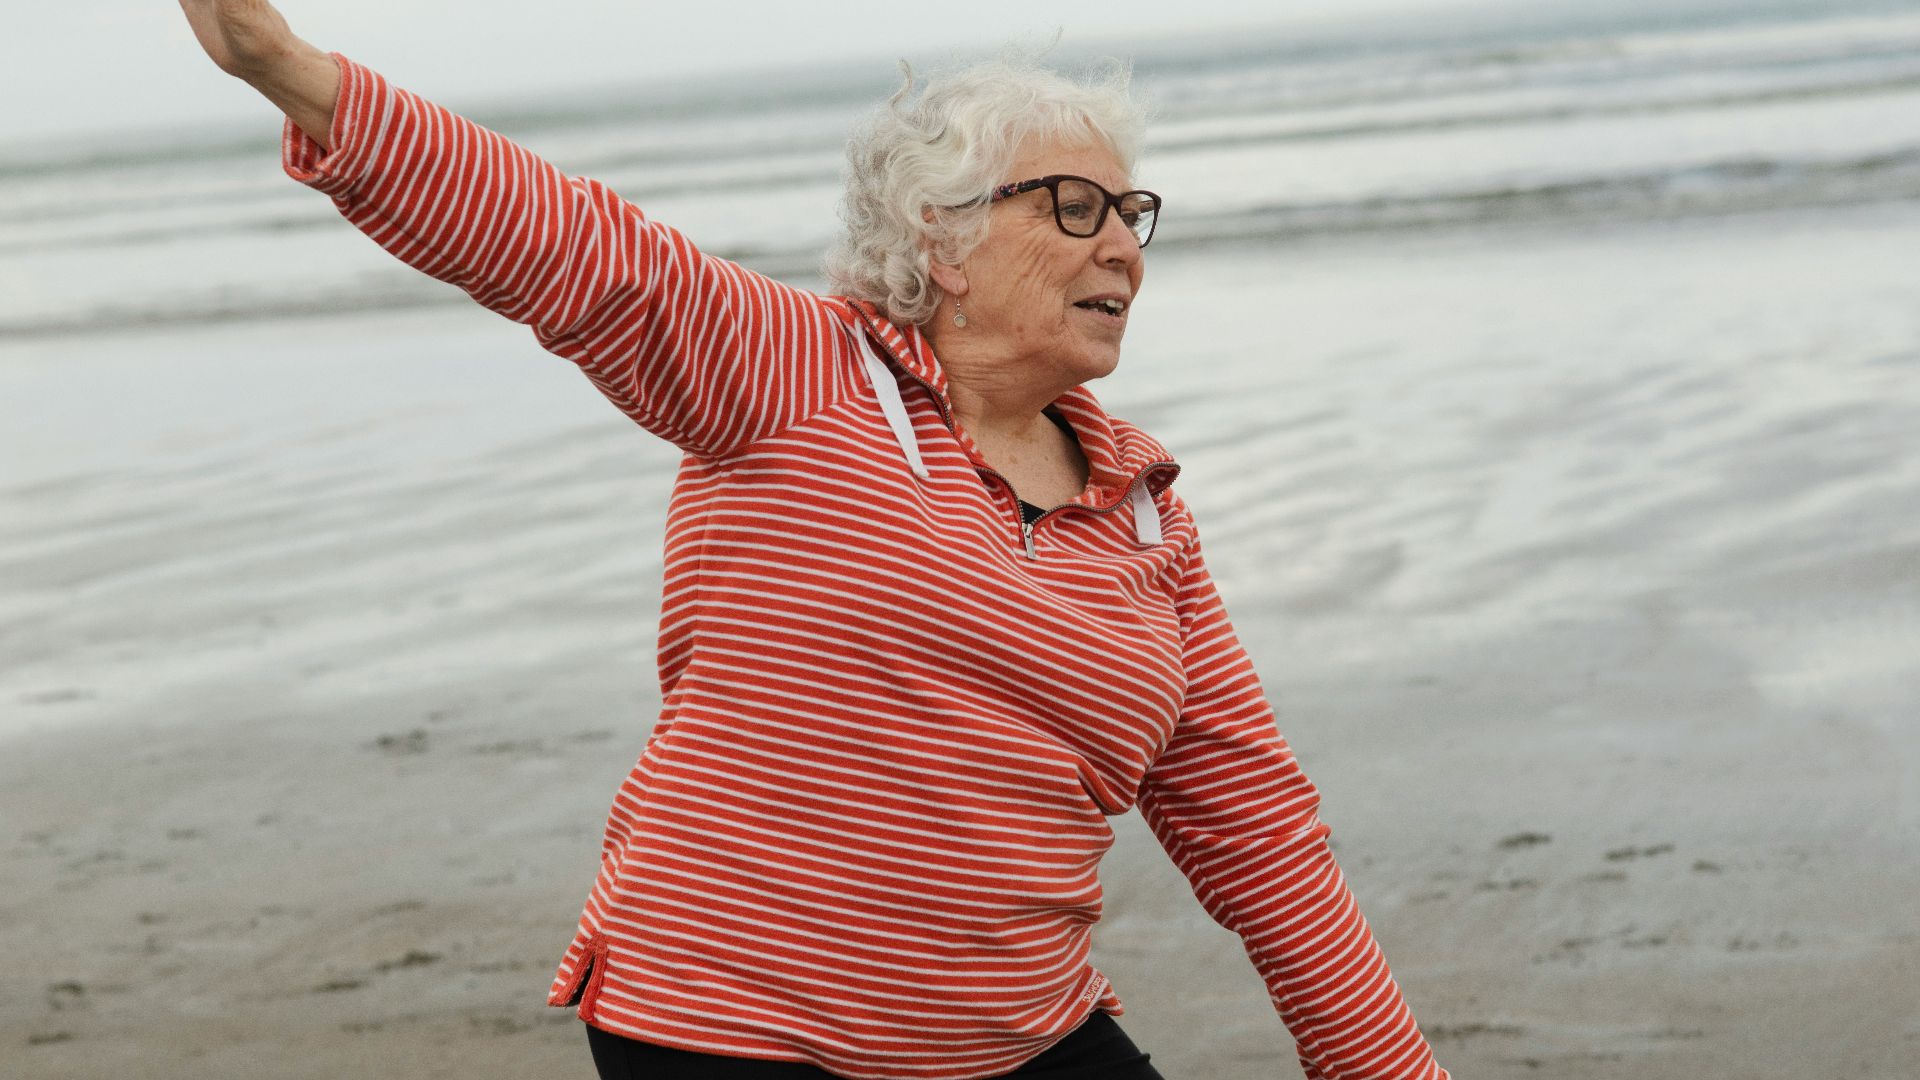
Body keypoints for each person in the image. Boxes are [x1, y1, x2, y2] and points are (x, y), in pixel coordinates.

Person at [178, 2, 1452, 1078]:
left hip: (1008, 1035)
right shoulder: (799, 377)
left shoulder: (1141, 508)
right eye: (1074, 205)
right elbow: (578, 250)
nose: (1122, 241)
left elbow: (1254, 826)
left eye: (1132, 212)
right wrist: (283, 67)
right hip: (726, 1026)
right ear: (939, 242)